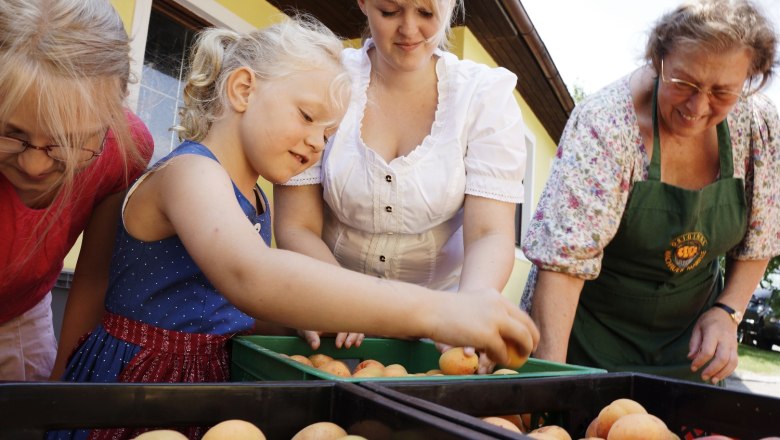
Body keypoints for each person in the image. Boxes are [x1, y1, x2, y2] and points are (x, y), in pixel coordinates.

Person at [49, 15, 538, 439]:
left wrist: (307, 313)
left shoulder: (254, 199)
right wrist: (440, 312)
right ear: (244, 89)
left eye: (328, 134)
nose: (316, 143)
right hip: (139, 394)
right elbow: (252, 277)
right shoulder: (190, 174)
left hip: (201, 390)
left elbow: (219, 306)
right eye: (307, 117)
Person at [521, 0, 779, 384]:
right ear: (658, 60)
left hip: (688, 351)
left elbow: (762, 238)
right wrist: (551, 385)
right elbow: (562, 268)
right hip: (582, 342)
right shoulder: (606, 126)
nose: (698, 106)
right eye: (684, 83)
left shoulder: (758, 126)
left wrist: (728, 311)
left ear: (749, 79)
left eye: (722, 92)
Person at [273, 0, 526, 372]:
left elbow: (489, 232)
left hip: (437, 329)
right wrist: (345, 302)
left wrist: (467, 309)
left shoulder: (484, 97)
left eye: (426, 13)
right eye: (390, 11)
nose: (409, 29)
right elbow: (297, 225)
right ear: (362, 3)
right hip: (330, 314)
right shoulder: (327, 79)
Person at [0, 0, 153, 381]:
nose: (35, 165)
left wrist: (61, 386)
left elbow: (92, 276)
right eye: (11, 133)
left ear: (111, 118)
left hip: (19, 313)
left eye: (70, 142)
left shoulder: (125, 150)